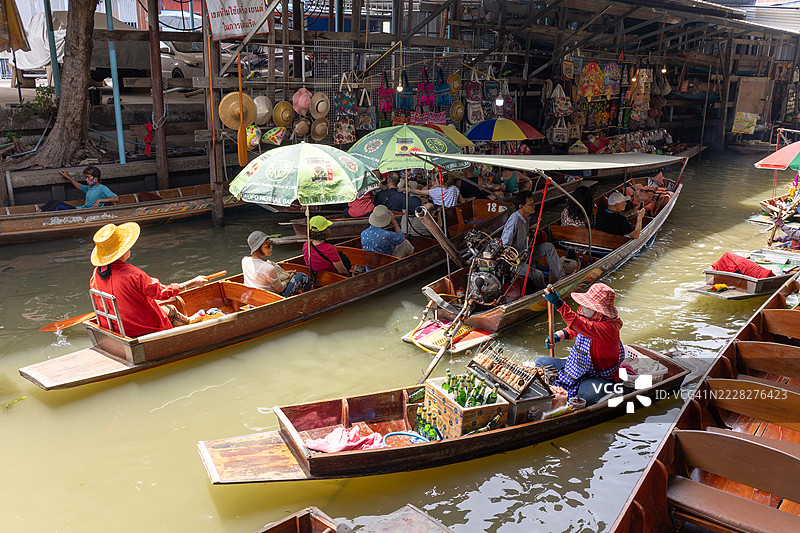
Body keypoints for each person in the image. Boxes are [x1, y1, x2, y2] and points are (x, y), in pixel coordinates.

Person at [88, 222, 208, 337]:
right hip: (139, 327)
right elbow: (162, 292)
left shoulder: (97, 273)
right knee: (171, 309)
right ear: (122, 251)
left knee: (158, 303)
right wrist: (193, 282)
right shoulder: (133, 274)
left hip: (115, 326)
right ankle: (191, 324)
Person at [535, 283, 625, 406]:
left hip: (598, 376)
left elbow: (580, 325)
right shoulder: (593, 319)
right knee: (541, 363)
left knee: (586, 397)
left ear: (596, 310)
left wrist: (559, 304)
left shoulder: (608, 328)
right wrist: (560, 335)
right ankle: (558, 389)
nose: (581, 307)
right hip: (578, 367)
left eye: (586, 305)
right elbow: (576, 329)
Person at [502, 190, 565, 288]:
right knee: (538, 274)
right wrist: (514, 260)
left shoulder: (525, 218)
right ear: (521, 206)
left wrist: (531, 228)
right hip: (515, 263)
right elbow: (504, 245)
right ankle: (543, 293)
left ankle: (561, 277)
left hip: (525, 254)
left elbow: (522, 231)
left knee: (548, 247)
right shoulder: (514, 220)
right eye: (530, 204)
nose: (533, 206)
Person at [242, 231, 312, 296]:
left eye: (270, 244)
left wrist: (286, 274)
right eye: (267, 246)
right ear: (257, 250)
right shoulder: (268, 268)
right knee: (302, 276)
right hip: (270, 299)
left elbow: (263, 277)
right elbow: (280, 288)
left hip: (253, 298)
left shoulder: (245, 260)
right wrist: (290, 277)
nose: (271, 247)